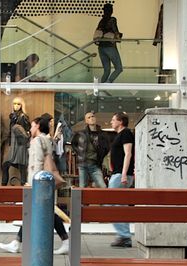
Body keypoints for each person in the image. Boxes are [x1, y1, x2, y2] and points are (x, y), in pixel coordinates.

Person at [0, 116, 70, 255]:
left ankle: (18, 243)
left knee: (38, 212)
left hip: (38, 184)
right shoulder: (47, 140)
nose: (30, 129)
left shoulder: (37, 141)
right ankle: (17, 242)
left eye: (32, 126)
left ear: (37, 126)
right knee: (39, 212)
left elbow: (37, 163)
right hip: (45, 182)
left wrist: (32, 182)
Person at [108, 112, 134, 248]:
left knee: (113, 204)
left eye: (113, 120)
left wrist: (124, 174)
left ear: (121, 121)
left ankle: (124, 236)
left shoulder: (126, 133)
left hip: (120, 175)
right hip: (117, 174)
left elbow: (128, 154)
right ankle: (124, 236)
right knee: (117, 205)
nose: (111, 122)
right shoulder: (119, 134)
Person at [72, 111, 109, 188]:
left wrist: (100, 156)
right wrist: (79, 153)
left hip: (95, 165)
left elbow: (106, 147)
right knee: (82, 187)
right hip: (83, 164)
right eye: (89, 117)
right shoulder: (81, 134)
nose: (91, 118)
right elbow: (74, 144)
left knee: (103, 186)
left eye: (92, 116)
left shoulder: (102, 134)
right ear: (86, 121)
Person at [1, 97, 30, 186]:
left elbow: (27, 132)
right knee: (5, 165)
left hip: (20, 145)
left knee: (22, 167)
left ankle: (23, 189)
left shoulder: (23, 117)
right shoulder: (13, 116)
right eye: (14, 104)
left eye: (18, 104)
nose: (16, 106)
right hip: (14, 145)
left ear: (21, 105)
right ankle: (3, 188)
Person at [94, 3, 123, 83]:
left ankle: (101, 88)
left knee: (106, 70)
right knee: (119, 68)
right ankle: (108, 84)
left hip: (101, 48)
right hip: (110, 47)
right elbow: (115, 31)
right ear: (111, 11)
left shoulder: (101, 21)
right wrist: (119, 36)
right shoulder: (112, 20)